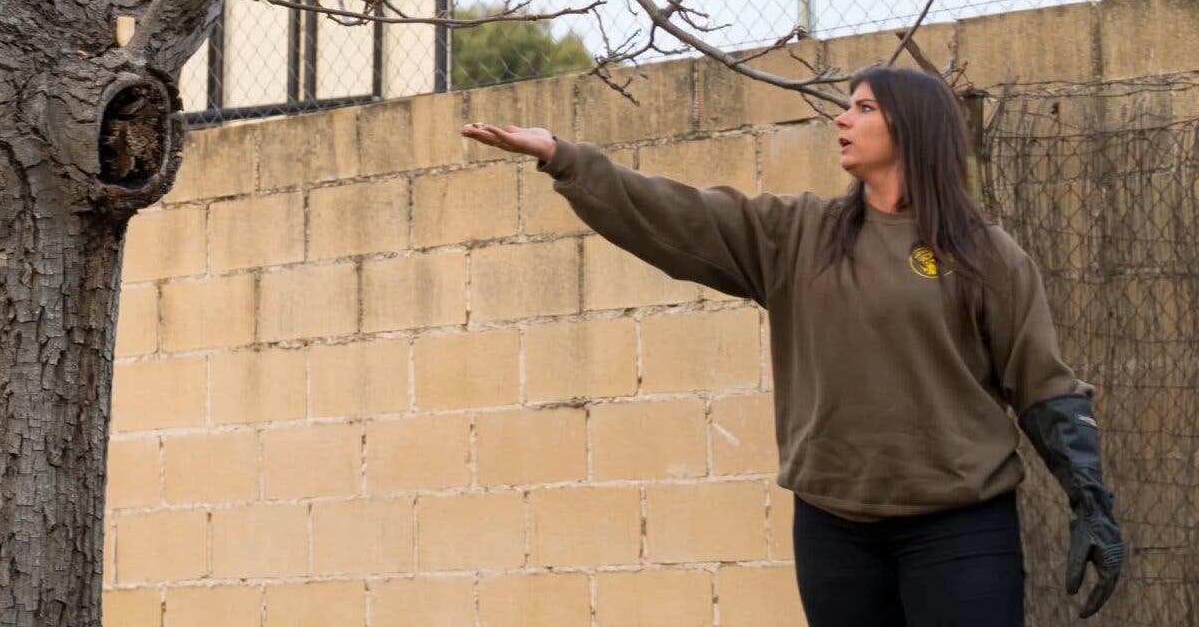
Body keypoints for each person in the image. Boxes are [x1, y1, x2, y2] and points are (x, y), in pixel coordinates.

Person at [461, 64, 1124, 626]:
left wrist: (1089, 499)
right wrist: (565, 158)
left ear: (913, 128)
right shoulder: (800, 234)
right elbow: (677, 214)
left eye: (863, 108)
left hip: (959, 529)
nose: (842, 118)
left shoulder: (986, 255)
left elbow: (1044, 385)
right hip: (835, 528)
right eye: (847, 106)